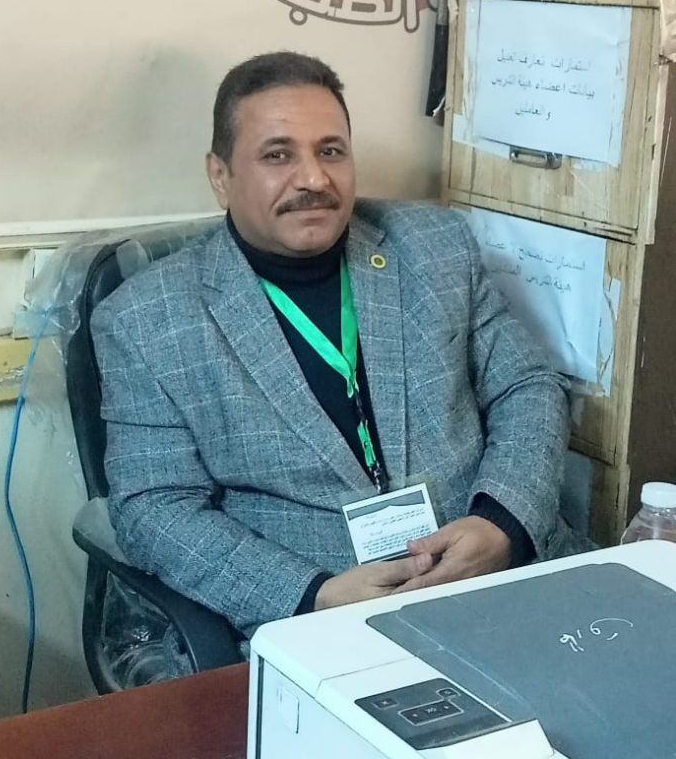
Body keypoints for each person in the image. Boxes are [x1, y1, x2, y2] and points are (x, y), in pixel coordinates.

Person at [92, 51, 571, 644]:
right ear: (220, 176)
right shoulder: (147, 320)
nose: (314, 180)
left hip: (494, 578)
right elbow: (154, 509)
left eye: (331, 151)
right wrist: (311, 594)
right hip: (322, 623)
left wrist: (501, 524)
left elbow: (528, 386)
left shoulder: (433, 246)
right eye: (278, 155)